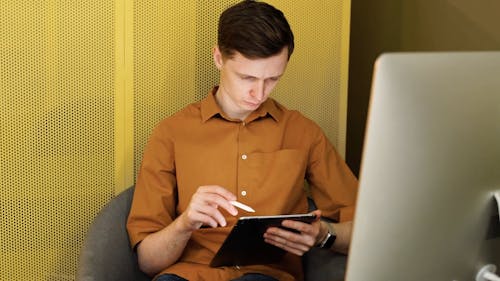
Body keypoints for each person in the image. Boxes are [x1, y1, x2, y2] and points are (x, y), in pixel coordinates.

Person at [126, 1, 358, 280]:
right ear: (218, 58)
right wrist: (185, 223)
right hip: (186, 275)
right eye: (247, 77)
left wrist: (324, 235)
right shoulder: (171, 133)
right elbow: (148, 262)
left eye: (272, 79)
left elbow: (365, 230)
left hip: (265, 275)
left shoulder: (303, 132)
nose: (258, 94)